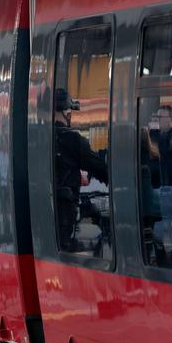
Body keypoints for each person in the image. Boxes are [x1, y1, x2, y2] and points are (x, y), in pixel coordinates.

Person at [54, 88, 108, 251]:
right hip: (63, 209)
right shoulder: (71, 138)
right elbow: (98, 167)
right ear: (66, 112)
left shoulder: (37, 135)